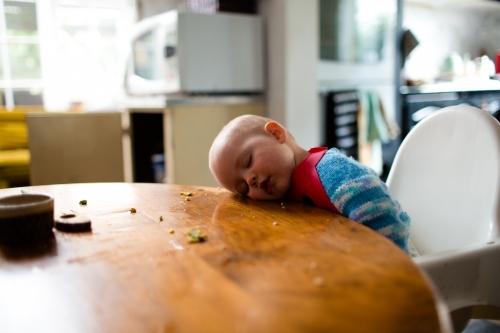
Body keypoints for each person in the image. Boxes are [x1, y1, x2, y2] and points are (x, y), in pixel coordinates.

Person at [208, 114, 411, 253]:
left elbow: (381, 216)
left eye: (248, 161)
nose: (250, 181)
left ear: (276, 134)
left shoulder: (332, 171)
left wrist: (383, 264)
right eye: (243, 188)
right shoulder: (282, 190)